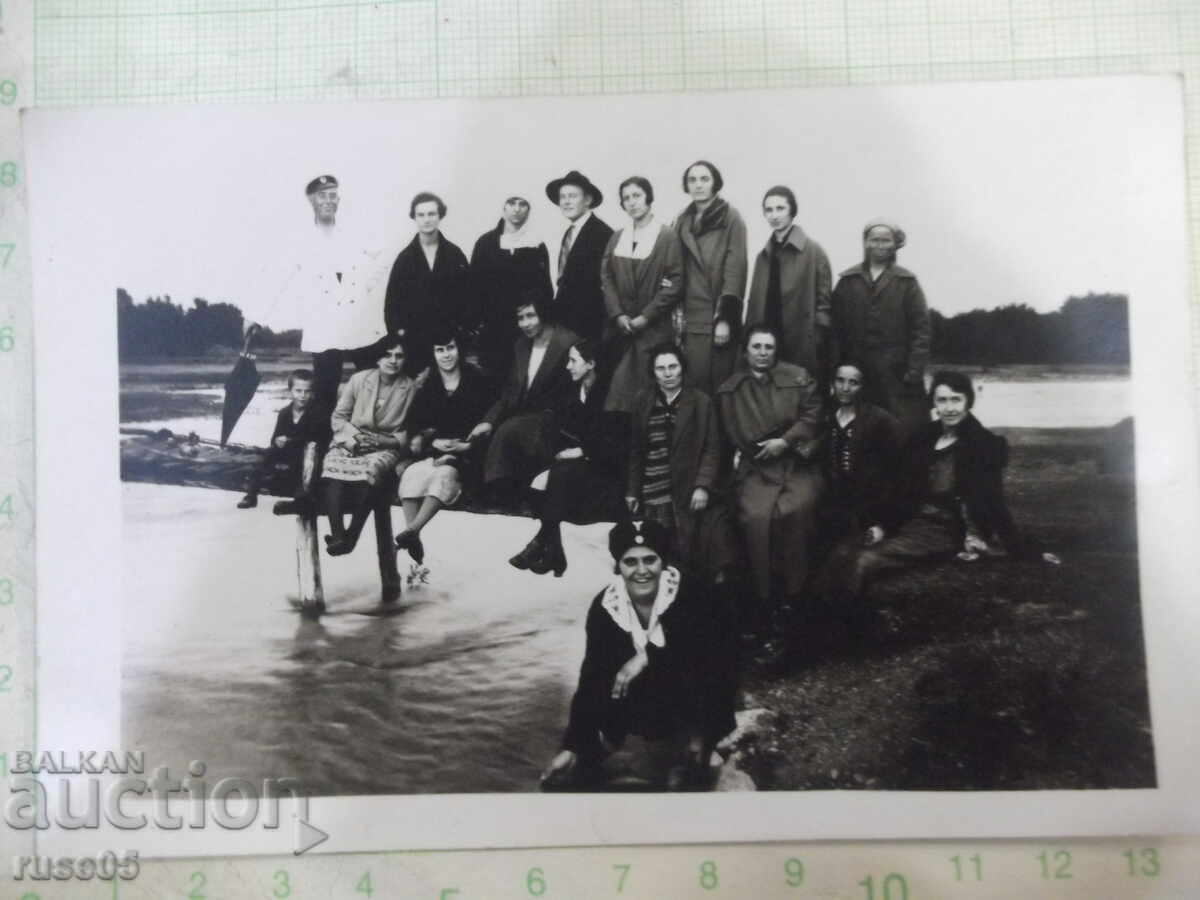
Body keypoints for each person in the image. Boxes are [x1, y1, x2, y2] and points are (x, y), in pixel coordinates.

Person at [540, 521, 736, 792]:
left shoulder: (692, 593)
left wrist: (648, 657)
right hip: (637, 710)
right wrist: (573, 744)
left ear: (663, 563)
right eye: (630, 562)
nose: (641, 571)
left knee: (681, 784)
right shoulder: (606, 607)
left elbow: (717, 660)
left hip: (694, 706)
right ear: (618, 567)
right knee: (574, 778)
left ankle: (696, 752)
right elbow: (593, 678)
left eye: (650, 560)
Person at [816, 370, 1029, 606]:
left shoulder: (984, 445)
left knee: (863, 561)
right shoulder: (923, 437)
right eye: (942, 400)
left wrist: (1023, 550)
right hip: (907, 520)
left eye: (956, 399)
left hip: (943, 528)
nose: (949, 408)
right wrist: (881, 524)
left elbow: (994, 503)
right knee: (840, 554)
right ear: (934, 403)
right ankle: (814, 627)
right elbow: (898, 488)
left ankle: (842, 632)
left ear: (968, 401)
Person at [245, 175, 389, 421]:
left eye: (333, 196)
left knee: (372, 381)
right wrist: (256, 315)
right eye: (322, 196)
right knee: (325, 390)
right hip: (325, 324)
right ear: (311, 200)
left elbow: (384, 260)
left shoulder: (354, 233)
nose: (328, 201)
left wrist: (367, 289)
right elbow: (278, 276)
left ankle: (374, 438)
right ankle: (318, 444)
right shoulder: (300, 240)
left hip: (358, 321)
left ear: (339, 200)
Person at [717, 324, 824, 629]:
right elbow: (732, 433)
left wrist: (786, 441)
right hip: (757, 468)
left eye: (768, 347)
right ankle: (764, 599)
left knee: (796, 510)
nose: (763, 353)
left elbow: (814, 414)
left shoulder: (798, 377)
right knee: (756, 518)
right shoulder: (730, 390)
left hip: (796, 465)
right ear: (746, 350)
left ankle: (795, 594)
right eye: (756, 347)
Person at [509, 339, 626, 578]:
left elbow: (616, 441)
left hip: (606, 470)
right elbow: (561, 431)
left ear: (591, 364)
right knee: (539, 481)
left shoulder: (609, 393)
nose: (568, 366)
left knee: (559, 477)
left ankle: (545, 547)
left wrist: (584, 451)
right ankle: (554, 548)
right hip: (577, 467)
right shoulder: (572, 392)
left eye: (574, 361)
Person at [625, 343, 739, 584]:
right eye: (660, 368)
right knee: (658, 551)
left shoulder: (700, 402)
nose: (667, 373)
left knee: (690, 550)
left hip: (687, 487)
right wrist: (633, 490)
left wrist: (702, 486)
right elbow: (636, 450)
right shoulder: (642, 401)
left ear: (682, 369)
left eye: (672, 367)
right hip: (653, 487)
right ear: (653, 372)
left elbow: (712, 449)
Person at [393, 329, 495, 565]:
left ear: (459, 350)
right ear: (433, 354)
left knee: (443, 475)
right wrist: (433, 441)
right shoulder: (428, 385)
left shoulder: (477, 381)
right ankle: (412, 534)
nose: (446, 355)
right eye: (440, 350)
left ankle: (414, 529)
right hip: (434, 451)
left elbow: (489, 421)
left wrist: (467, 446)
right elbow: (415, 425)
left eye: (450, 348)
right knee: (412, 474)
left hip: (468, 455)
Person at [467, 294, 578, 500]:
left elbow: (572, 396)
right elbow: (509, 392)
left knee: (509, 431)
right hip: (521, 415)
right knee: (491, 432)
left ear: (543, 314)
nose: (525, 323)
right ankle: (497, 491)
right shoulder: (521, 345)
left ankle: (498, 491)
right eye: (520, 318)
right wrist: (488, 421)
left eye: (530, 316)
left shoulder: (566, 342)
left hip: (555, 418)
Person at [830, 219, 931, 438]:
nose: (880, 245)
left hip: (896, 373)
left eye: (886, 240)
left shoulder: (906, 282)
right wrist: (836, 369)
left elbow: (921, 331)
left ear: (895, 245)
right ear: (865, 243)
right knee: (858, 429)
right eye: (874, 240)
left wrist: (913, 372)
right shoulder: (848, 281)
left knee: (901, 429)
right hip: (857, 371)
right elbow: (834, 330)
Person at [320, 334, 415, 556]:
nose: (393, 360)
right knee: (332, 464)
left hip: (386, 445)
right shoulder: (359, 380)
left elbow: (410, 427)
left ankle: (352, 536)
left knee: (372, 470)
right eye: (388, 355)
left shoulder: (409, 387)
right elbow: (338, 417)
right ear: (377, 358)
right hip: (352, 439)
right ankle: (337, 535)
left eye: (399, 356)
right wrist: (353, 442)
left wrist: (386, 441)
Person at [600, 176, 684, 413]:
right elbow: (606, 277)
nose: (632, 202)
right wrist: (618, 314)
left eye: (636, 195)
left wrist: (645, 317)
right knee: (618, 397)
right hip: (622, 329)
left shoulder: (666, 236)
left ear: (648, 197)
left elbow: (675, 282)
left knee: (649, 395)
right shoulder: (617, 237)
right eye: (626, 198)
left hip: (653, 330)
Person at [673, 160, 748, 395]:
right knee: (693, 388)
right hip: (690, 316)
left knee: (719, 388)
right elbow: (674, 266)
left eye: (704, 179)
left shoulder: (731, 218)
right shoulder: (682, 220)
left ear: (715, 183)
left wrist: (726, 318)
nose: (698, 185)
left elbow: (735, 269)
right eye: (692, 180)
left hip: (716, 316)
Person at [745, 185, 832, 383]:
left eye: (780, 208)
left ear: (792, 211)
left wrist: (817, 338)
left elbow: (824, 303)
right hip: (767, 335)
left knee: (798, 388)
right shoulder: (763, 256)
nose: (774, 215)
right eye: (769, 210)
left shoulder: (813, 251)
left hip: (800, 337)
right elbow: (755, 302)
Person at [383, 191, 471, 375]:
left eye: (432, 214)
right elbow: (392, 304)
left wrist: (462, 333)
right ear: (414, 218)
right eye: (421, 215)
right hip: (415, 343)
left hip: (449, 343)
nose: (426, 219)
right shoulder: (405, 259)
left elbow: (470, 296)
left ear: (440, 216)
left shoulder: (455, 255)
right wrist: (402, 336)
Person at [468, 195, 554, 378]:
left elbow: (545, 289)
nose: (517, 209)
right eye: (512, 203)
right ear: (503, 208)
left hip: (525, 329)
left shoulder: (537, 244)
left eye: (523, 204)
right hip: (493, 331)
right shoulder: (485, 244)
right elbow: (473, 289)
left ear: (529, 210)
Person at [818, 361, 902, 545]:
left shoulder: (881, 420)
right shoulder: (827, 414)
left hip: (866, 501)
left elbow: (896, 469)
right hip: (833, 498)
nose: (845, 388)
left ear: (863, 386)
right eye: (840, 380)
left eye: (853, 382)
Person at [236, 369, 331, 509]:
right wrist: (277, 441)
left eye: (307, 391)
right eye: (298, 391)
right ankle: (251, 495)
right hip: (287, 453)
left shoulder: (316, 413)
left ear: (312, 393)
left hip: (307, 454)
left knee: (310, 456)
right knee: (267, 455)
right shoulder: (284, 413)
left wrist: (291, 440)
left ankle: (302, 498)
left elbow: (316, 437)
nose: (303, 396)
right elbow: (274, 437)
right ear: (290, 391)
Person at [546, 170, 614, 342]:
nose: (566, 202)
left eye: (573, 196)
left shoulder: (602, 233)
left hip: (589, 325)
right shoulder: (570, 232)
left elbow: (605, 284)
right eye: (563, 197)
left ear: (588, 200)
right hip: (566, 323)